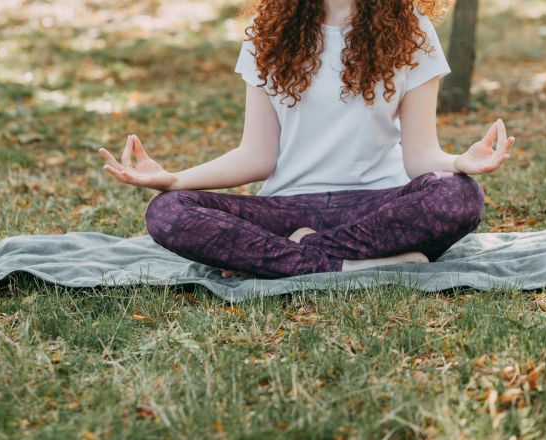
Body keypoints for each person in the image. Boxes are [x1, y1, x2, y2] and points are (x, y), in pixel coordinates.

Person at [98, 0, 515, 280]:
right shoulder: (267, 32)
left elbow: (420, 156)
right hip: (286, 208)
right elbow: (256, 156)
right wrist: (173, 180)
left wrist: (460, 164)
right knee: (168, 212)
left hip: (380, 207)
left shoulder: (413, 32)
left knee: (460, 196)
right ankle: (360, 265)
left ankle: (288, 258)